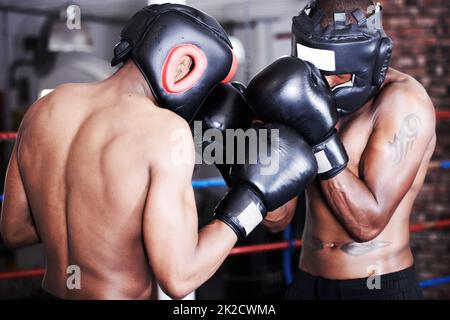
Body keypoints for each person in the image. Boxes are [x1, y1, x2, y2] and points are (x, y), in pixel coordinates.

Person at [0, 3, 317, 300]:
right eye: (209, 85)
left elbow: (14, 231)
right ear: (183, 65)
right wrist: (252, 201)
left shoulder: (44, 109)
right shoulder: (165, 131)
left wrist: (88, 224)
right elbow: (179, 278)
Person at [245, 0, 436, 299]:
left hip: (375, 286)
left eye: (338, 73)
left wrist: (319, 137)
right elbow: (278, 219)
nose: (325, 82)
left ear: (368, 60)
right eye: (316, 70)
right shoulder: (303, 94)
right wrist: (252, 148)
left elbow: (367, 224)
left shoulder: (403, 102)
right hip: (307, 282)